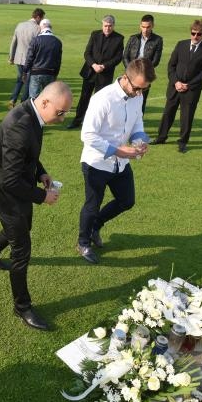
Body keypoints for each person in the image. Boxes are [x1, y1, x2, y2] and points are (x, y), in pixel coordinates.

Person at [0, 81, 72, 331]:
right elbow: (9, 180)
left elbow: (28, 155)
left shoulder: (32, 113)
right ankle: (22, 307)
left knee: (23, 226)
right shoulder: (20, 125)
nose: (63, 118)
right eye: (60, 112)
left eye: (66, 113)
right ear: (44, 102)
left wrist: (40, 172)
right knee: (21, 250)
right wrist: (43, 197)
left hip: (16, 187)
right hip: (5, 192)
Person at [76, 58, 156, 264]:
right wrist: (117, 150)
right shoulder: (102, 99)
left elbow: (137, 123)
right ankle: (83, 242)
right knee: (92, 205)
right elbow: (87, 135)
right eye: (138, 88)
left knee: (126, 201)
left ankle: (95, 226)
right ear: (126, 78)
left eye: (144, 89)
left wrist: (141, 141)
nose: (140, 93)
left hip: (121, 163)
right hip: (96, 162)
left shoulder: (137, 97)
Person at [152, 19, 202, 153]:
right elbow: (171, 65)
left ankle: (182, 142)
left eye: (199, 34)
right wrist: (176, 82)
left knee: (186, 117)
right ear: (190, 32)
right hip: (175, 87)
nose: (195, 37)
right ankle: (161, 137)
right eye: (193, 33)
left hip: (191, 90)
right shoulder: (181, 44)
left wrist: (189, 85)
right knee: (168, 113)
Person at [67, 14, 124, 129]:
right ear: (102, 25)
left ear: (113, 26)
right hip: (90, 72)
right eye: (105, 26)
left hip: (105, 74)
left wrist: (104, 66)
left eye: (110, 26)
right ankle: (77, 120)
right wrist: (93, 65)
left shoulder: (119, 38)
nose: (107, 28)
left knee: (100, 101)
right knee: (84, 97)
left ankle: (95, 124)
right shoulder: (95, 34)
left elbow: (118, 58)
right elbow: (87, 53)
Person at [122, 14, 163, 114]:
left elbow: (155, 60)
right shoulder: (133, 38)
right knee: (125, 100)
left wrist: (143, 73)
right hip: (130, 75)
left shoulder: (158, 40)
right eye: (143, 27)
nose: (145, 30)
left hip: (144, 76)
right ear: (140, 26)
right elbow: (125, 56)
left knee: (141, 101)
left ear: (152, 26)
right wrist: (131, 70)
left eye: (148, 27)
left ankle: (137, 124)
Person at [8, 7, 45, 108]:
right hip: (30, 60)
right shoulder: (37, 29)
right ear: (38, 17)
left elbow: (14, 42)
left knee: (20, 80)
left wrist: (11, 57)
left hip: (18, 58)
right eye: (41, 19)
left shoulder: (20, 25)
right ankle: (23, 103)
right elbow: (38, 46)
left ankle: (12, 99)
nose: (41, 22)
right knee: (28, 82)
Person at [23, 18, 62, 99]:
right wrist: (56, 73)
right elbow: (58, 60)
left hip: (36, 72)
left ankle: (34, 111)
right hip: (50, 73)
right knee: (48, 97)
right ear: (50, 27)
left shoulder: (35, 40)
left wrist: (25, 71)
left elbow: (29, 57)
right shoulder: (57, 42)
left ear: (41, 27)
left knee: (33, 98)